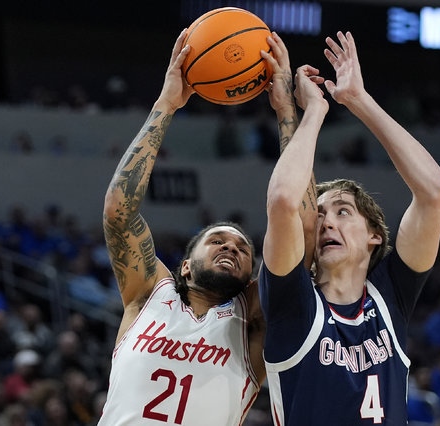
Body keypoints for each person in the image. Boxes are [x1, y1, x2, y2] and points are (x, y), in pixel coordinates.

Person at [98, 29, 311, 425]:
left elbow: (304, 232)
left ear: (252, 276)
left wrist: (286, 113)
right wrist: (167, 103)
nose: (231, 248)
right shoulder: (149, 294)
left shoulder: (252, 322)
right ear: (184, 265)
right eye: (217, 241)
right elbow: (119, 212)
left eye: (244, 249)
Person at [259, 31, 440, 425]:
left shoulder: (389, 297)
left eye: (343, 211)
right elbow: (284, 202)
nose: (327, 220)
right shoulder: (293, 303)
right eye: (322, 214)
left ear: (374, 235)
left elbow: (433, 193)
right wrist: (308, 114)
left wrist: (359, 101)